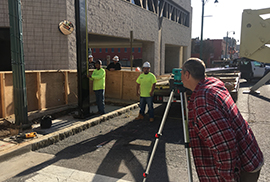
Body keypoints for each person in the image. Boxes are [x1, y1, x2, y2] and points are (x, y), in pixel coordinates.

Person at [181, 58, 264, 182]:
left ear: (187, 74)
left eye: (181, 73)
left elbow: (225, 147)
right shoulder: (213, 84)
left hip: (243, 169)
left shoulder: (203, 103)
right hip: (250, 156)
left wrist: (227, 179)